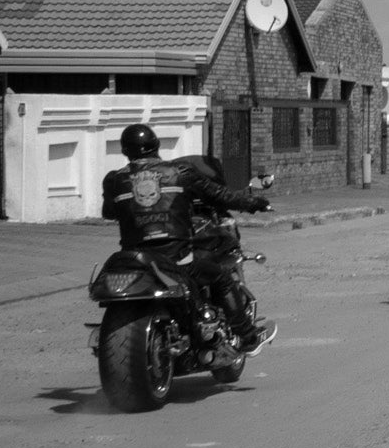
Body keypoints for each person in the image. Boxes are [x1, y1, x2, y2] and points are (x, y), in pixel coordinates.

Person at [100, 121, 272, 360]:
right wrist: (253, 202)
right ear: (156, 146)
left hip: (135, 259)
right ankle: (248, 336)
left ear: (125, 151)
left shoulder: (114, 180)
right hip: (175, 257)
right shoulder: (180, 172)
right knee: (221, 278)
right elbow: (221, 195)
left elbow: (108, 212)